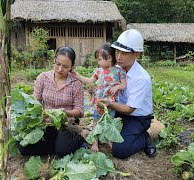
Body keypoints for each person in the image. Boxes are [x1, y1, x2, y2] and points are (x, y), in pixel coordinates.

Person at [97, 29, 157, 159]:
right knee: (101, 133)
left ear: (136, 55)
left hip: (137, 118)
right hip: (119, 111)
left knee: (120, 151)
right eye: (117, 51)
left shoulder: (141, 78)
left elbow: (130, 109)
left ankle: (144, 137)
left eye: (124, 53)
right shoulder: (117, 69)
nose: (118, 57)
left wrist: (110, 104)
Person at [17, 46, 85, 157]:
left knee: (62, 152)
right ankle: (58, 144)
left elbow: (80, 111)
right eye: (58, 64)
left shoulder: (76, 83)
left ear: (72, 67)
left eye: (65, 66)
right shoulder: (43, 78)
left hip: (67, 124)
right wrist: (38, 114)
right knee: (22, 146)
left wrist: (66, 113)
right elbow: (34, 103)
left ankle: (77, 138)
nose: (60, 69)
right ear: (54, 61)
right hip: (46, 124)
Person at [72, 43, 126, 152]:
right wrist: (78, 76)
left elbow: (124, 85)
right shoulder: (98, 71)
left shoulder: (119, 71)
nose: (98, 62)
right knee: (96, 121)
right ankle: (95, 143)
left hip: (111, 103)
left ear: (109, 58)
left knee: (109, 121)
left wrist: (118, 87)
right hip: (98, 102)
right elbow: (90, 80)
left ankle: (108, 140)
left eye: (100, 59)